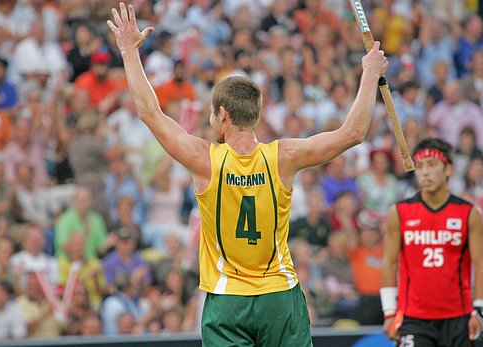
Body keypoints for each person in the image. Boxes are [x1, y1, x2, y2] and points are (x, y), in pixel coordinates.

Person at [107, 3, 387, 345]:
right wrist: (370, 73)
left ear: (223, 114)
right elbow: (352, 134)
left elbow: (149, 112)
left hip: (227, 301)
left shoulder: (205, 160)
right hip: (279, 297)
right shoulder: (283, 157)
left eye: (212, 114)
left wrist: (129, 52)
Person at [381, 138, 483, 346]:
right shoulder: (399, 212)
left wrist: (479, 309)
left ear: (449, 170)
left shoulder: (468, 213)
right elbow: (389, 262)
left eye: (432, 165)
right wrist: (389, 311)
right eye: (419, 166)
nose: (425, 172)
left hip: (459, 317)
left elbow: (480, 263)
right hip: (413, 318)